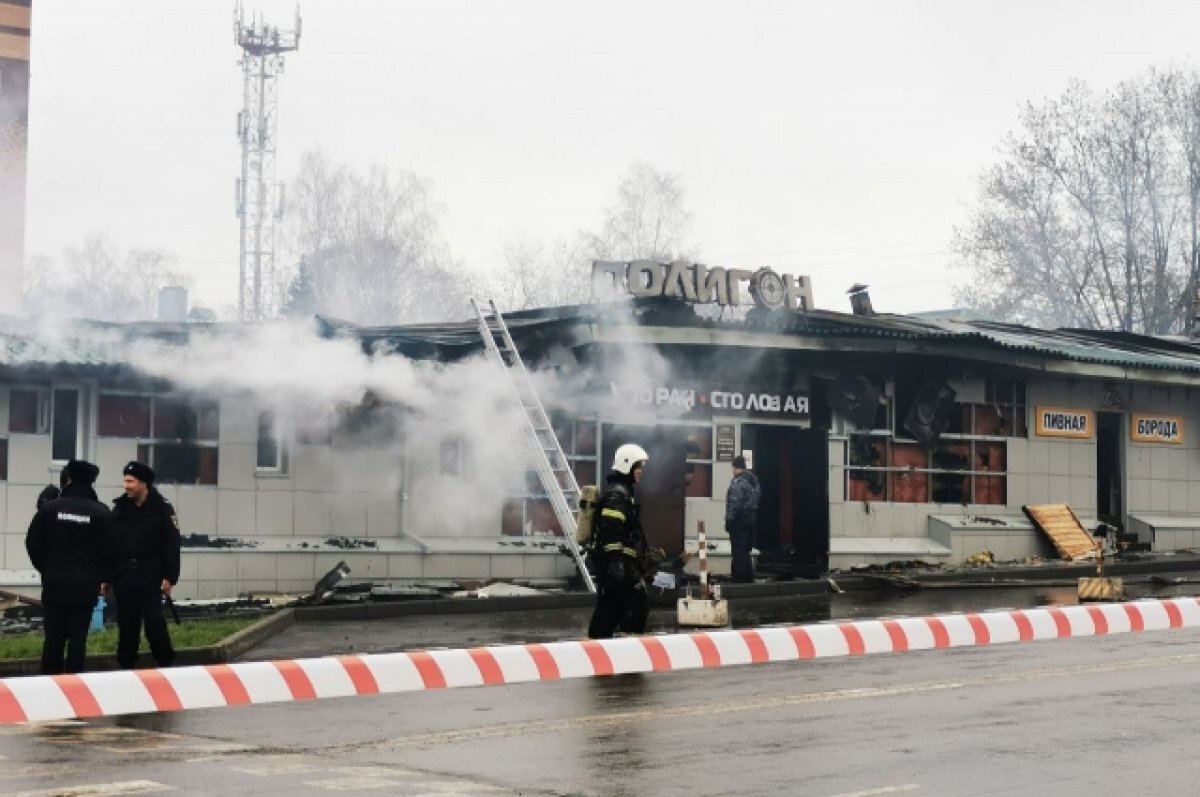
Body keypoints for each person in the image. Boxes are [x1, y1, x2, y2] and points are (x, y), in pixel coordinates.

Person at [25, 459, 113, 674]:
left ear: (69, 479)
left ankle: (49, 681)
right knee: (78, 636)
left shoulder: (49, 509)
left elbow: (32, 543)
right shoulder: (101, 513)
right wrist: (102, 578)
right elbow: (111, 551)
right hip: (85, 584)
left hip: (55, 581)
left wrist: (46, 568)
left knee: (53, 635)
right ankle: (74, 684)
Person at [111, 461, 180, 669]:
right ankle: (126, 665)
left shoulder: (162, 509)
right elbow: (110, 544)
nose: (126, 485)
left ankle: (165, 661)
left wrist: (169, 577)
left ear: (143, 483)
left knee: (154, 624)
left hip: (151, 578)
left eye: (130, 481)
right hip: (125, 578)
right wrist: (107, 577)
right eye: (125, 481)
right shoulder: (120, 509)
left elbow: (172, 545)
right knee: (127, 626)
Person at [587, 443, 651, 639]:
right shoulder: (617, 495)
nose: (641, 472)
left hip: (619, 563)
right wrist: (616, 563)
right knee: (634, 604)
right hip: (615, 564)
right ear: (627, 466)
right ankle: (623, 648)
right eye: (638, 467)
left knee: (611, 607)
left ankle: (602, 646)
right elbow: (611, 531)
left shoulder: (623, 492)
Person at [725, 455, 761, 583]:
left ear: (735, 467)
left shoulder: (738, 482)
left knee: (738, 550)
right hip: (751, 518)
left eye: (733, 468)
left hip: (739, 520)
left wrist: (729, 520)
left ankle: (738, 579)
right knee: (746, 549)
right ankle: (748, 577)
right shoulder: (754, 482)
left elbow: (735, 503)